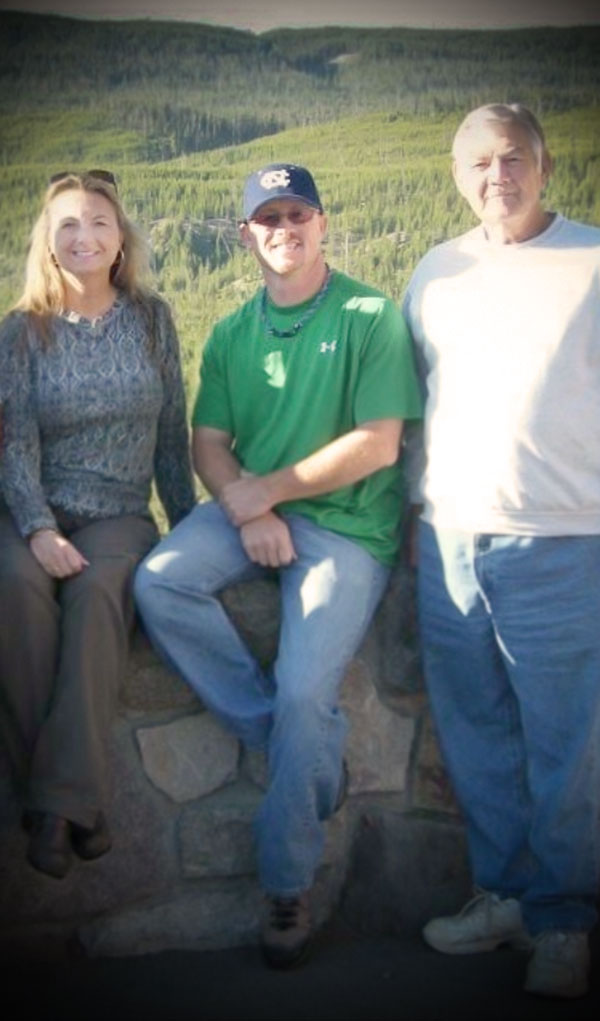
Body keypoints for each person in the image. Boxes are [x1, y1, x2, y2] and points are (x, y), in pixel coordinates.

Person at [134, 162, 422, 968]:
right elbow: (208, 445)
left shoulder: (370, 314)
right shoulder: (231, 331)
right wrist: (246, 504)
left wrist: (270, 494)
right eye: (268, 219)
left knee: (306, 690)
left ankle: (287, 883)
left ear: (323, 223)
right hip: (248, 512)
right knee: (159, 581)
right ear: (245, 235)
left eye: (298, 214)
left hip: (345, 528)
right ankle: (301, 748)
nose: (284, 230)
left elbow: (379, 442)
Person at [403, 104, 600, 999]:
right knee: (477, 731)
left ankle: (565, 920)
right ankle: (508, 895)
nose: (497, 177)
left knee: (566, 743)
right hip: (448, 537)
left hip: (565, 537)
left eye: (512, 158)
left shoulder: (593, 259)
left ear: (545, 165)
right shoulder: (435, 271)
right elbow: (409, 401)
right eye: (478, 163)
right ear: (457, 175)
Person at [0, 170, 195, 880]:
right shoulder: (22, 332)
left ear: (120, 239)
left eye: (98, 222)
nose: (84, 236)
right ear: (48, 246)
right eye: (68, 226)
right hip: (32, 509)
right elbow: (15, 442)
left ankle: (50, 805)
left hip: (117, 513)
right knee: (16, 593)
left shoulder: (152, 320)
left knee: (95, 598)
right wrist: (38, 529)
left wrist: (189, 530)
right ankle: (72, 802)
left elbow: (172, 433)